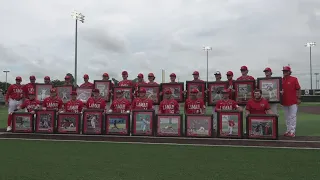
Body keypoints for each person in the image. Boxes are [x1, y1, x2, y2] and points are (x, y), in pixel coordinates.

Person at [281, 66, 301, 137]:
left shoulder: (294, 79)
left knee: (292, 116)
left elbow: (298, 89)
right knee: (287, 117)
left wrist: (299, 98)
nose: (284, 72)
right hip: (284, 101)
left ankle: (292, 131)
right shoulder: (281, 80)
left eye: (286, 71)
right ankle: (288, 130)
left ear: (289, 72)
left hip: (293, 101)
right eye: (284, 71)